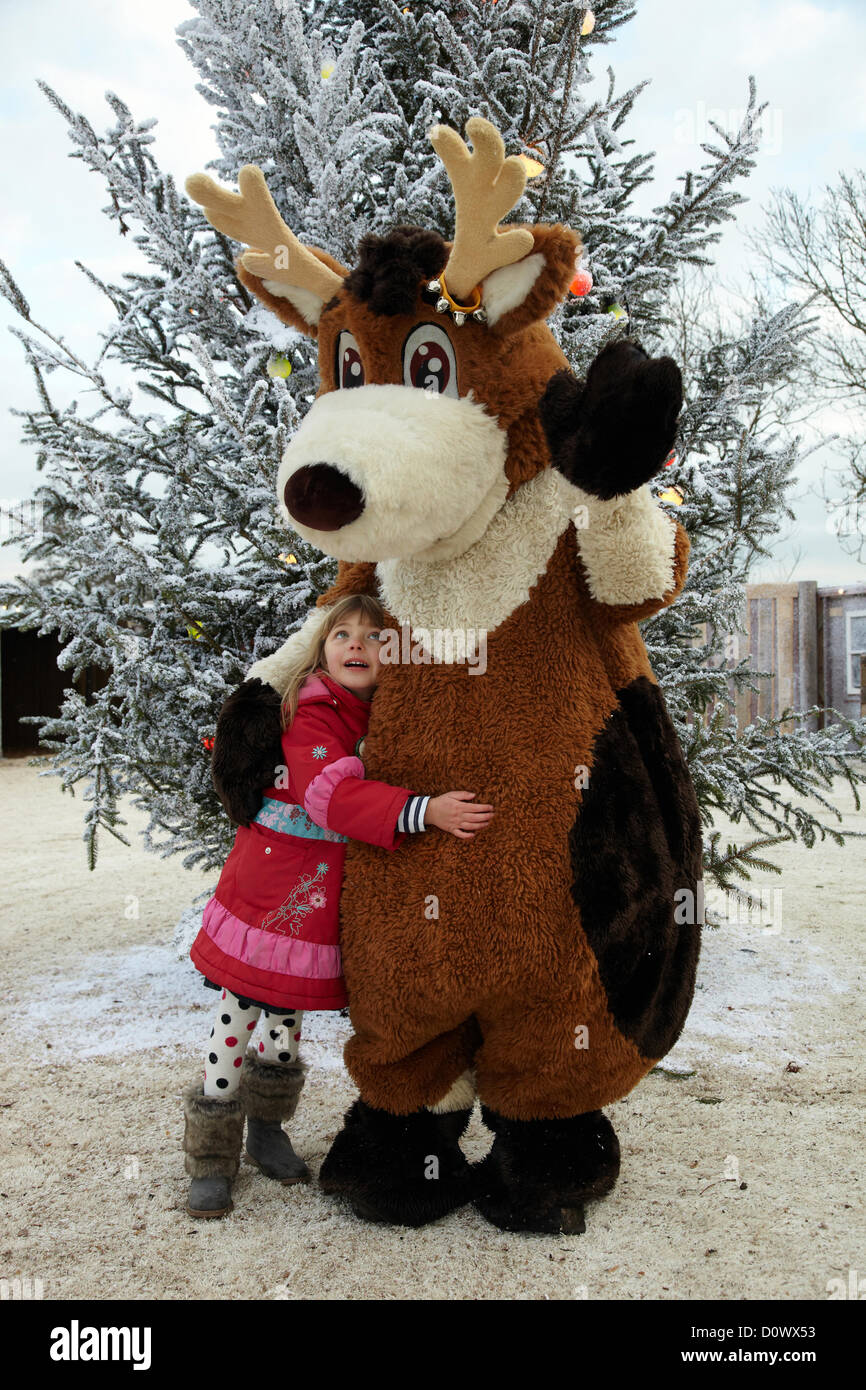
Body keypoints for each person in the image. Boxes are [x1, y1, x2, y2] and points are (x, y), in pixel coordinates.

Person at [181, 593, 494, 1217]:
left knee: (286, 1016)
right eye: (342, 634)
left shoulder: (375, 712)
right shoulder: (314, 710)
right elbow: (332, 798)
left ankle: (267, 1130)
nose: (357, 645)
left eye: (374, 637)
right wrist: (425, 809)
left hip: (315, 896)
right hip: (273, 891)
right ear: (322, 650)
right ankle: (211, 1151)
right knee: (243, 1007)